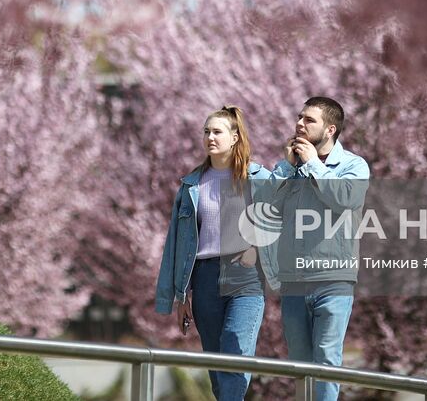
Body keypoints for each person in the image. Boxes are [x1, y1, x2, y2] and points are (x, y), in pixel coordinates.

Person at [154, 106, 271, 401]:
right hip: (204, 278)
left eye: (217, 131)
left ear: (234, 137)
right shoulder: (191, 185)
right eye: (206, 131)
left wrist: (256, 248)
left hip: (244, 276)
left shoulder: (258, 178)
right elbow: (176, 244)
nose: (210, 137)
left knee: (235, 348)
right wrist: (180, 295)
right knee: (216, 363)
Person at [258, 96, 370, 401]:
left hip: (334, 279)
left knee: (327, 359)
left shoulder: (353, 166)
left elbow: (345, 199)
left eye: (309, 120)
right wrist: (286, 168)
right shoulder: (288, 168)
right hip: (293, 282)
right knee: (300, 366)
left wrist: (312, 166)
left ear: (330, 129)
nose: (299, 124)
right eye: (299, 117)